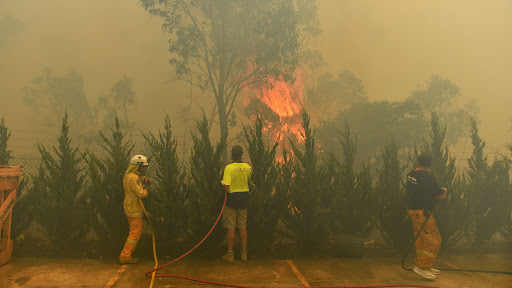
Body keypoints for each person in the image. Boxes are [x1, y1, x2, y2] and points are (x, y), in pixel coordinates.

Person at [406, 153, 447, 279]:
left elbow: (420, 190)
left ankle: (426, 265)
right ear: (430, 163)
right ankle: (422, 267)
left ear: (418, 161)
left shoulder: (411, 174)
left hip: (413, 211)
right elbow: (441, 195)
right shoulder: (428, 177)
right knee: (433, 240)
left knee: (421, 240)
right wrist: (444, 190)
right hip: (422, 213)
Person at [221, 145, 252, 263]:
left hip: (232, 200)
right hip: (244, 199)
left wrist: (223, 182)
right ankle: (244, 253)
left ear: (232, 154)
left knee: (231, 228)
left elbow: (227, 186)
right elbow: (248, 179)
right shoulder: (247, 167)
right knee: (243, 227)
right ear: (242, 154)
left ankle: (230, 254)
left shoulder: (229, 168)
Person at [119, 154, 152, 264]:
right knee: (135, 233)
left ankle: (126, 255)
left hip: (129, 207)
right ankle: (125, 256)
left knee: (133, 232)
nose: (144, 168)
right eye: (143, 166)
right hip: (134, 210)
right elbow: (141, 194)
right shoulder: (133, 178)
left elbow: (135, 181)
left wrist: (142, 178)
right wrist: (147, 188)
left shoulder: (128, 175)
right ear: (137, 166)